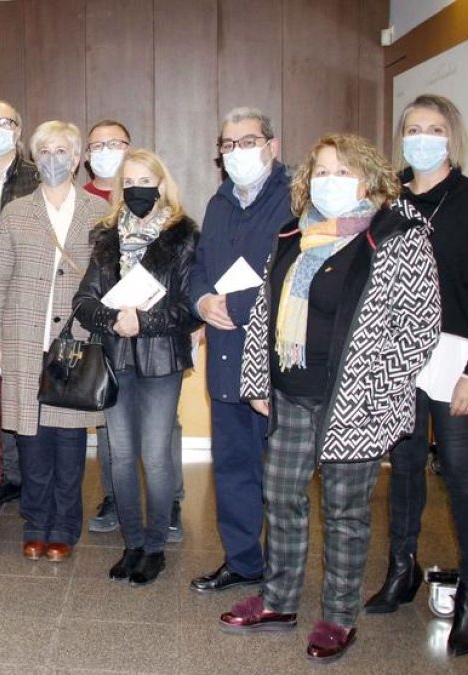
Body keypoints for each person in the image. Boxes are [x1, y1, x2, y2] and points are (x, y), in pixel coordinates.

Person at [219, 133, 440, 663]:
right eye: (320, 171)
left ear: (368, 178)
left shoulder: (399, 235)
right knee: (282, 498)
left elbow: (419, 329)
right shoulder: (294, 234)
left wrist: (375, 389)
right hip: (290, 394)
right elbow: (264, 318)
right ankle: (279, 600)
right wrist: (257, 384)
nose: (328, 180)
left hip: (355, 404)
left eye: (341, 171)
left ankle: (339, 616)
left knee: (345, 512)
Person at [365, 94, 468, 657]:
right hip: (398, 353)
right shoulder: (387, 201)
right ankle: (402, 570)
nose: (422, 137)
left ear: (452, 138)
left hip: (456, 357)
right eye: (413, 128)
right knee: (403, 467)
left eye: (434, 128)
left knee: (461, 473)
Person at [74, 148, 200, 585]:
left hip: (162, 359)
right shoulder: (105, 236)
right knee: (121, 456)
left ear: (162, 183)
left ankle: (155, 547)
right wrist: (115, 319)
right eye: (128, 183)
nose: (136, 189)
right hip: (115, 359)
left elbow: (190, 308)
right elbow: (83, 302)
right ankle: (132, 544)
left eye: (145, 180)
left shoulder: (183, 235)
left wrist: (141, 321)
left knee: (156, 457)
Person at [0, 120, 107, 562]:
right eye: (46, 151)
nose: (54, 159)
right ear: (36, 159)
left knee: (69, 442)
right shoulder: (16, 212)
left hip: (75, 342)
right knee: (31, 439)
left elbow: (108, 279)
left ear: (77, 159)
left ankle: (64, 527)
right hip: (23, 338)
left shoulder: (98, 212)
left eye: (63, 151)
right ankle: (35, 523)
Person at [187, 107, 290, 594]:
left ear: (272, 145)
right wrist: (203, 300)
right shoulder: (218, 203)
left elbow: (297, 274)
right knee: (232, 467)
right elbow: (199, 267)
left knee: (282, 476)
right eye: (228, 145)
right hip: (226, 352)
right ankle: (243, 561)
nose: (237, 153)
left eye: (248, 142)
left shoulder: (297, 198)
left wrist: (242, 302)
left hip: (276, 358)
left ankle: (284, 572)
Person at [0, 99, 40, 512]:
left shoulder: (37, 177)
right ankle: (3, 476)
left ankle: (31, 480)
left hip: (25, 297)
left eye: (5, 122)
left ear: (18, 131)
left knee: (26, 392)